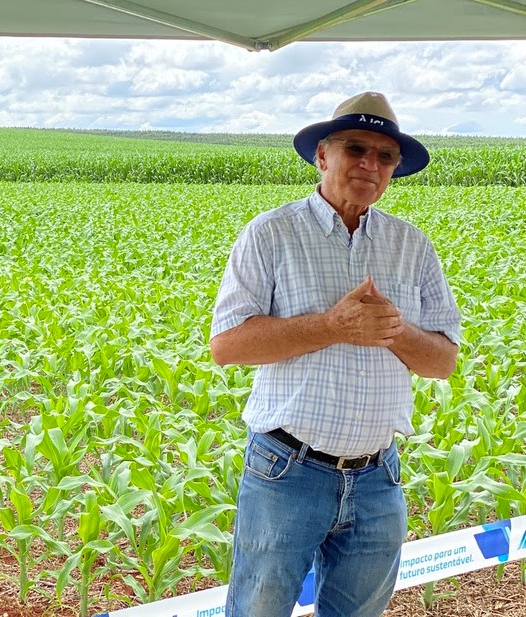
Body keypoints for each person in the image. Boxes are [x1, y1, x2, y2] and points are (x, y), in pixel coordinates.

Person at [210, 92, 461, 617]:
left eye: (385, 155)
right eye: (356, 148)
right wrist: (332, 325)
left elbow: (442, 362)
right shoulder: (270, 234)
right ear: (322, 156)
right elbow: (227, 346)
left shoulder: (412, 247)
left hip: (378, 477)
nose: (371, 164)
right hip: (287, 471)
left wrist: (394, 330)